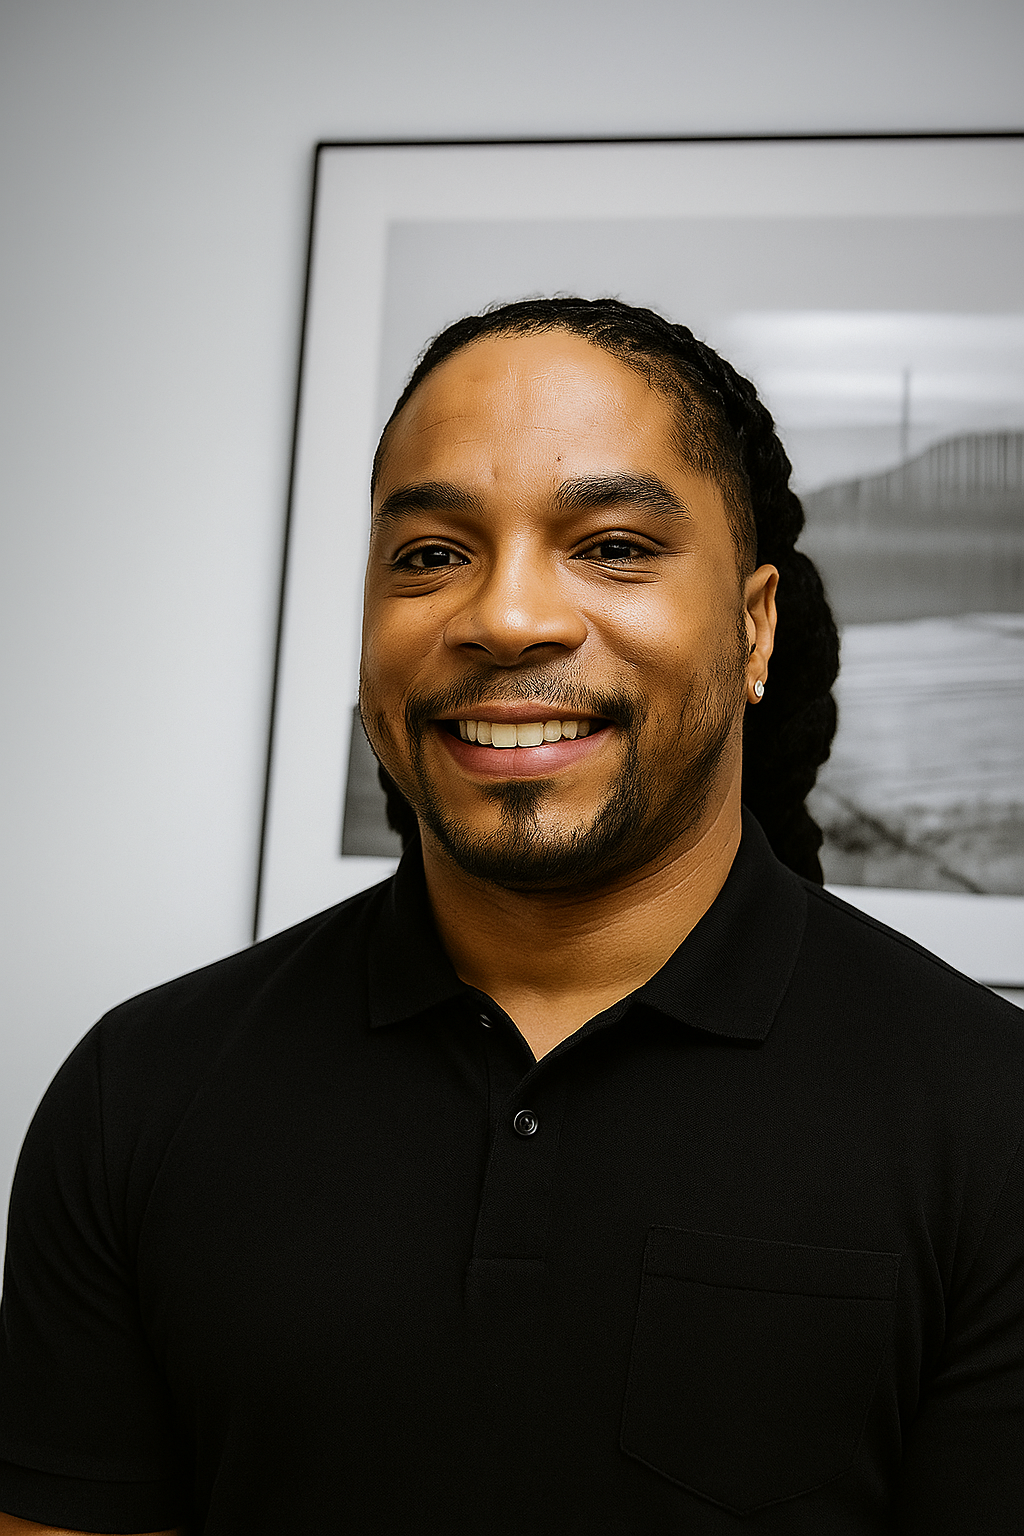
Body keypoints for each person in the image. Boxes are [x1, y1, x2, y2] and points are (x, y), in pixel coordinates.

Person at [1, 297, 1022, 1535]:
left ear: (753, 631)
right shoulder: (138, 1093)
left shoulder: (988, 1117)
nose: (505, 617)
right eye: (431, 555)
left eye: (612, 546)